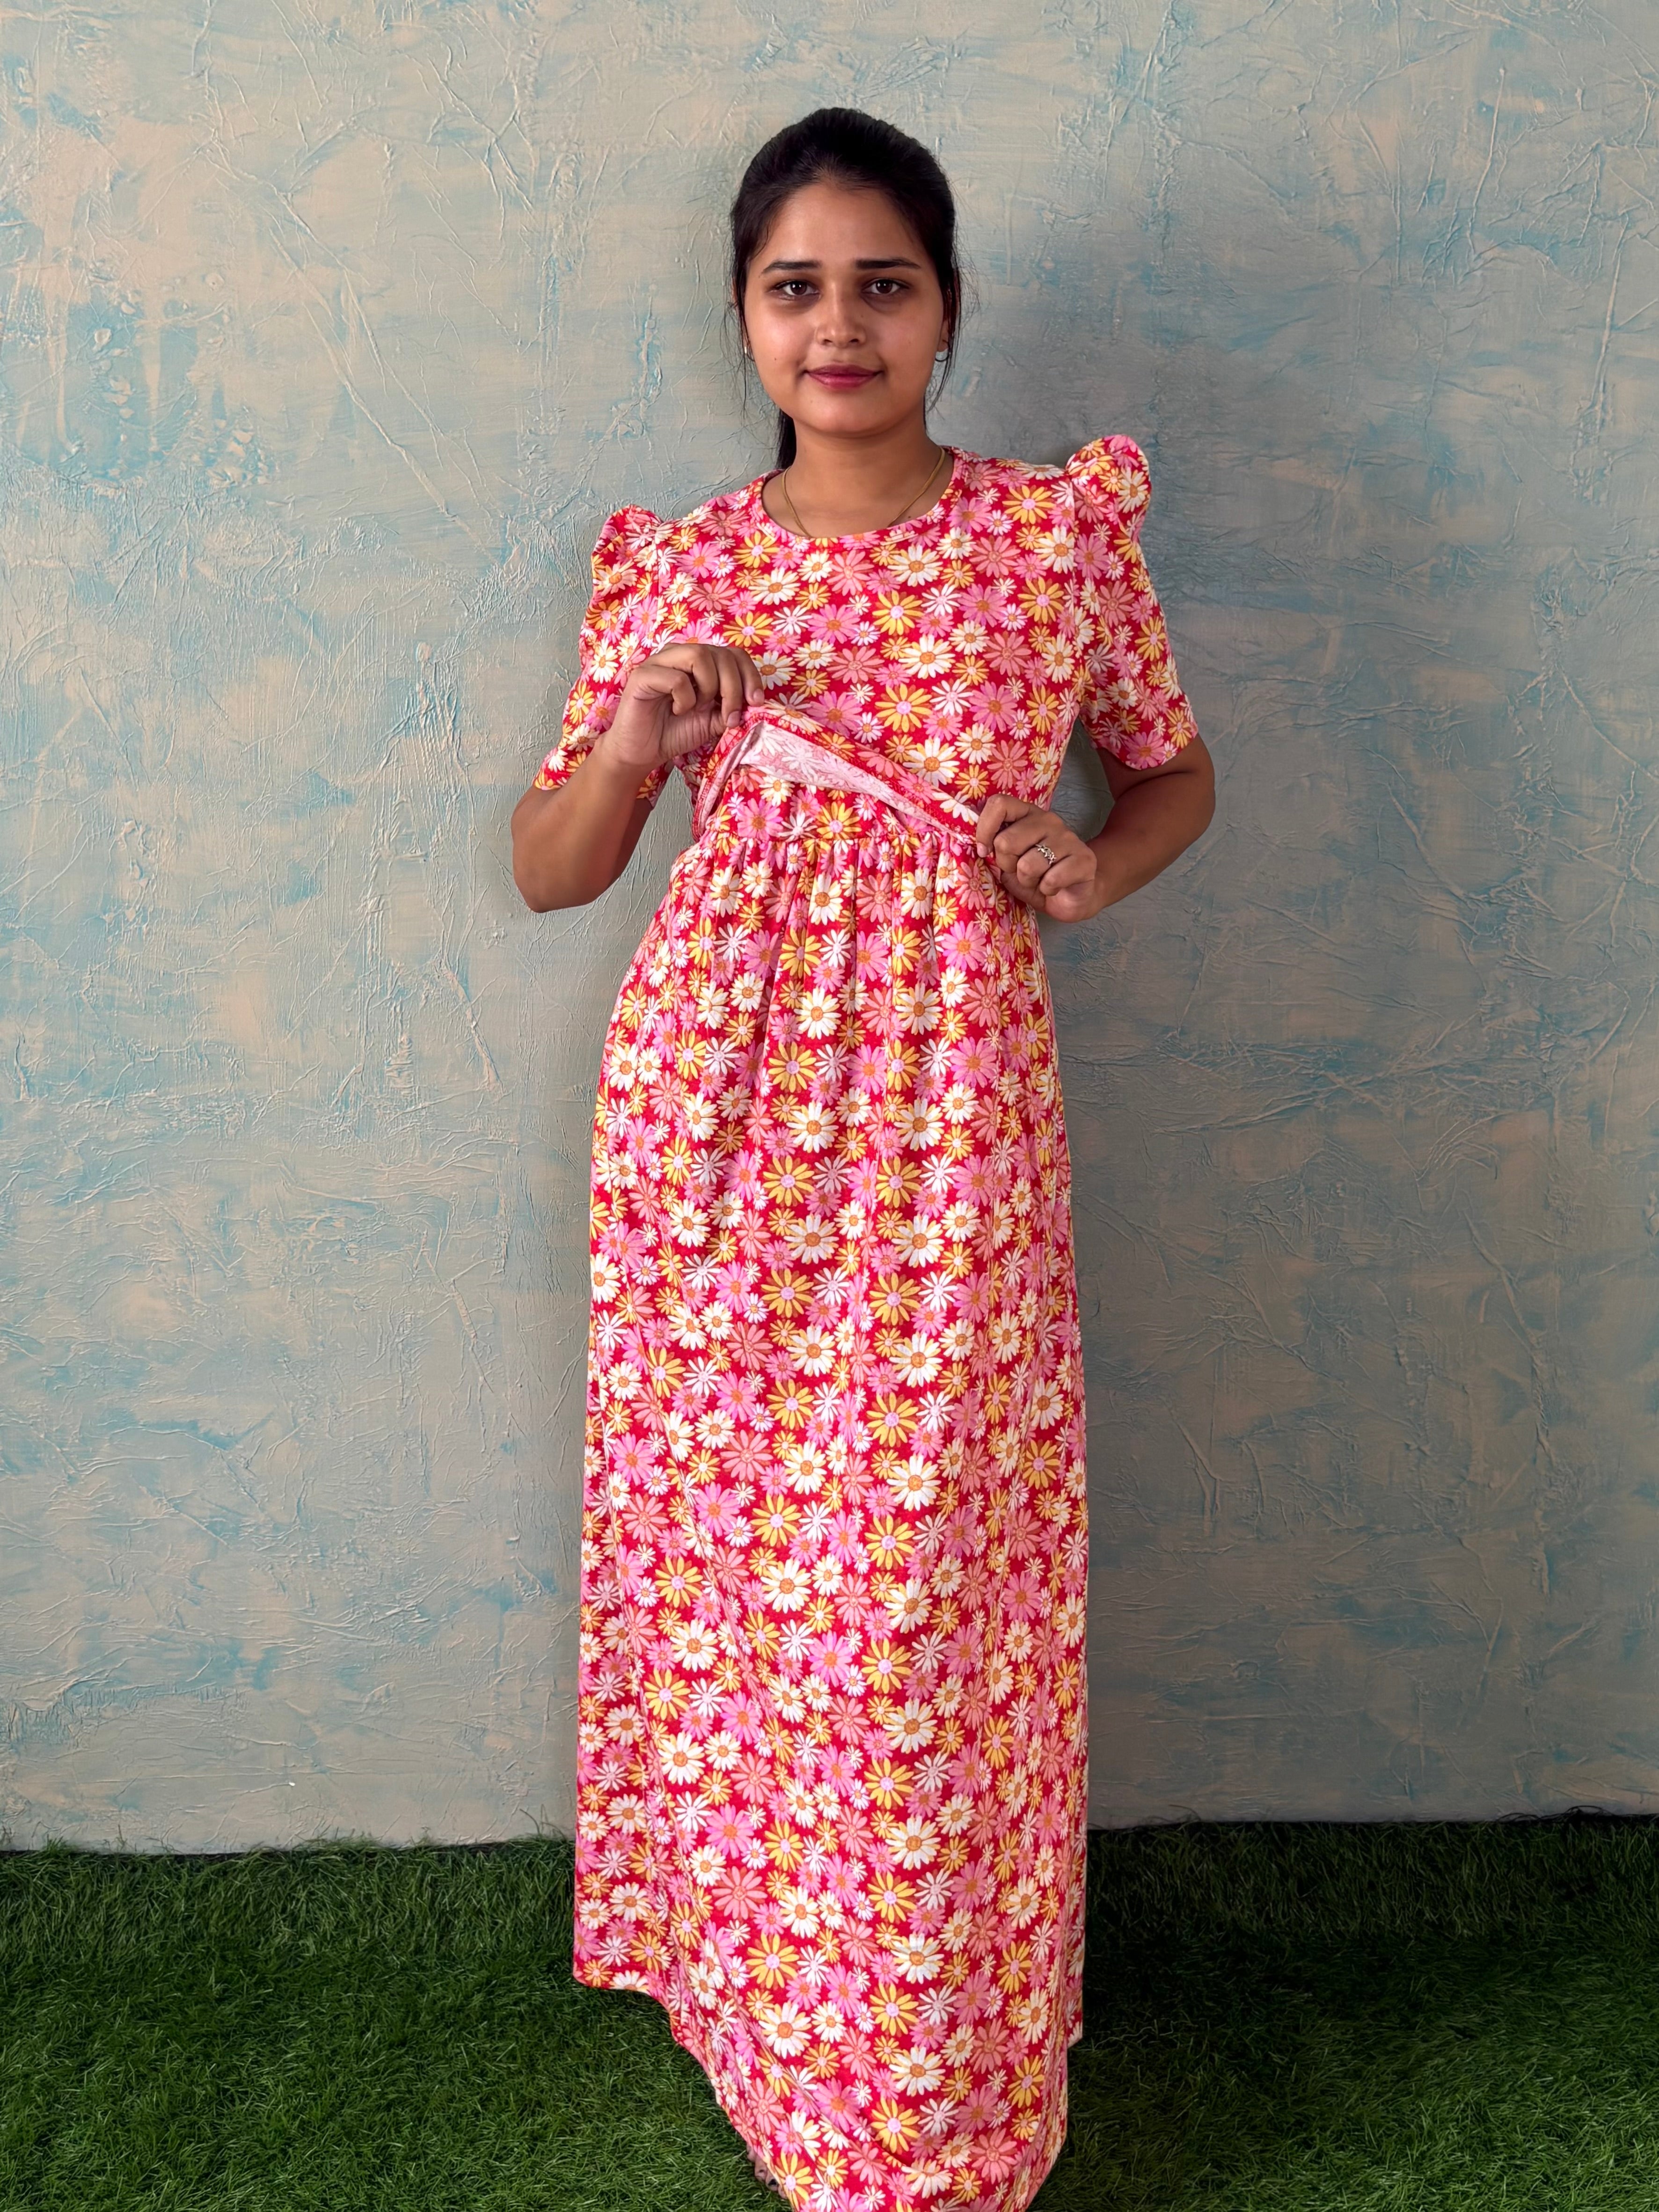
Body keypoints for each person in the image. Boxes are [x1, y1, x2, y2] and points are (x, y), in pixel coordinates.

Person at [512, 106, 1214, 2212]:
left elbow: (1169, 772)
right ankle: (765, 2017)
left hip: (949, 1137)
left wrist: (1091, 863)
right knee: (746, 1590)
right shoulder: (678, 571)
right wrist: (635, 738)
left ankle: (925, 2085)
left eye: (880, 283)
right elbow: (552, 869)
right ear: (742, 316)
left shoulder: (1053, 543)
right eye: (795, 287)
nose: (839, 325)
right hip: (709, 1149)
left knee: (915, 1590)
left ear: (946, 308)